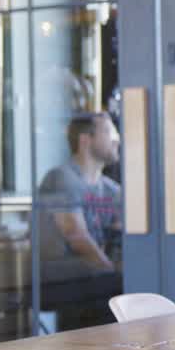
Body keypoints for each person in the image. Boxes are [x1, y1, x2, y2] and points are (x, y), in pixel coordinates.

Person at [37, 112, 122, 330]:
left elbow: (124, 235)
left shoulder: (111, 189)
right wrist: (113, 270)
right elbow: (76, 236)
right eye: (109, 131)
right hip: (62, 280)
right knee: (123, 289)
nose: (117, 138)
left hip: (93, 279)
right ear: (85, 139)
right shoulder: (62, 178)